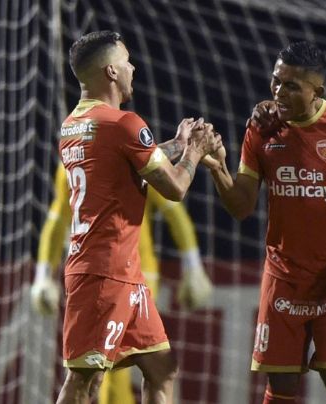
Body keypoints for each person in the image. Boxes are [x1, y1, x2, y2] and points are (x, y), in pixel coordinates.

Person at [203, 41, 326, 404]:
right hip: (284, 276)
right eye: (276, 82)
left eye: (291, 86)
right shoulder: (262, 130)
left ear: (316, 91)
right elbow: (241, 206)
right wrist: (217, 170)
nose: (278, 93)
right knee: (281, 386)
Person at [56, 30, 219, 403]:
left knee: (162, 367)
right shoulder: (124, 122)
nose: (134, 67)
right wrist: (193, 152)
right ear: (112, 71)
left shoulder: (75, 125)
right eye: (127, 61)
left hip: (122, 273)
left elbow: (126, 159)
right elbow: (175, 188)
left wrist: (176, 144)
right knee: (84, 381)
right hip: (103, 273)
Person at [30, 164, 214, 404]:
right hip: (104, 276)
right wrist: (43, 275)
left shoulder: (121, 153)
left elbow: (172, 209)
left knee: (156, 368)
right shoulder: (115, 153)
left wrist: (193, 267)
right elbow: (58, 218)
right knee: (103, 372)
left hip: (138, 275)